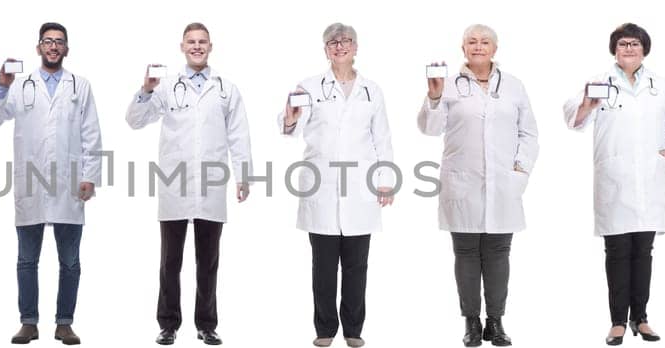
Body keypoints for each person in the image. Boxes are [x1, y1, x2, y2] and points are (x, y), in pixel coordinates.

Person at [124, 22, 251, 347]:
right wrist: (147, 89)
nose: (197, 46)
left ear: (211, 47)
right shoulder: (165, 86)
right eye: (191, 42)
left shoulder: (226, 89)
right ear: (182, 47)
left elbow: (238, 136)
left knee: (208, 261)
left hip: (211, 183)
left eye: (202, 42)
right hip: (174, 183)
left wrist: (244, 175)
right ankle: (168, 324)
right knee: (170, 261)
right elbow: (134, 121)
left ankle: (206, 325)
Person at [561, 22, 665, 346]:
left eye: (633, 44)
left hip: (649, 180)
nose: (628, 49)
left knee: (643, 252)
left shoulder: (663, 87)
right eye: (622, 44)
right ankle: (618, 321)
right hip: (614, 182)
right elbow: (571, 119)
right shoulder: (599, 83)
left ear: (644, 48)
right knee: (617, 252)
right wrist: (588, 104)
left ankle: (641, 318)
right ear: (614, 50)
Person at [0, 22, 103, 346]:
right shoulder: (20, 85)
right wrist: (2, 85)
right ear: (38, 47)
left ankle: (64, 323)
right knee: (26, 260)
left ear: (66, 49)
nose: (53, 46)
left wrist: (90, 176)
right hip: (30, 184)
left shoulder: (81, 85)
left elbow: (91, 134)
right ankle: (29, 323)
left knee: (70, 262)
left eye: (59, 42)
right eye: (47, 41)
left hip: (70, 184)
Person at [418, 23, 537, 348]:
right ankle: (471, 322)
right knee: (467, 253)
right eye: (472, 42)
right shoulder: (448, 85)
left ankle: (495, 322)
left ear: (495, 49)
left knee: (498, 253)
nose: (478, 46)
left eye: (485, 42)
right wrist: (434, 95)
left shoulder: (513, 86)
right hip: (463, 183)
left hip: (504, 184)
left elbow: (529, 133)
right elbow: (429, 129)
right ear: (463, 49)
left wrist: (520, 171)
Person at [279, 22, 395, 348]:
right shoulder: (309, 86)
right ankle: (325, 328)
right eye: (333, 42)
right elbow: (291, 126)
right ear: (326, 50)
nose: (339, 45)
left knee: (357, 266)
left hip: (361, 188)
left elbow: (382, 139)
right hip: (323, 186)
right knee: (324, 267)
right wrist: (289, 117)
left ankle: (354, 329)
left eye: (346, 41)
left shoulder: (372, 90)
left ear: (356, 48)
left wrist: (386, 181)